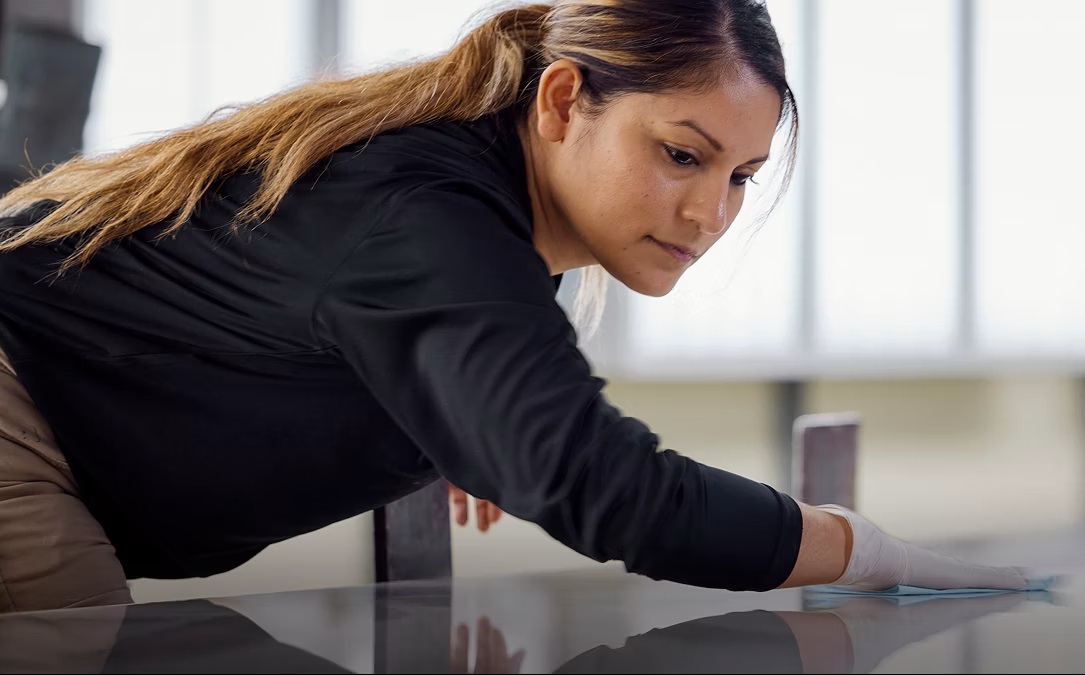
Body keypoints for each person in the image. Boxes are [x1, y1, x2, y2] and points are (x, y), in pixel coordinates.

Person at [0, 0, 1029, 614]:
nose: (709, 212)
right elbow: (598, 486)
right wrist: (867, 548)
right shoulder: (420, 214)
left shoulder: (475, 229)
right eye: (681, 154)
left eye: (741, 177)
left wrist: (451, 413)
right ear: (559, 100)